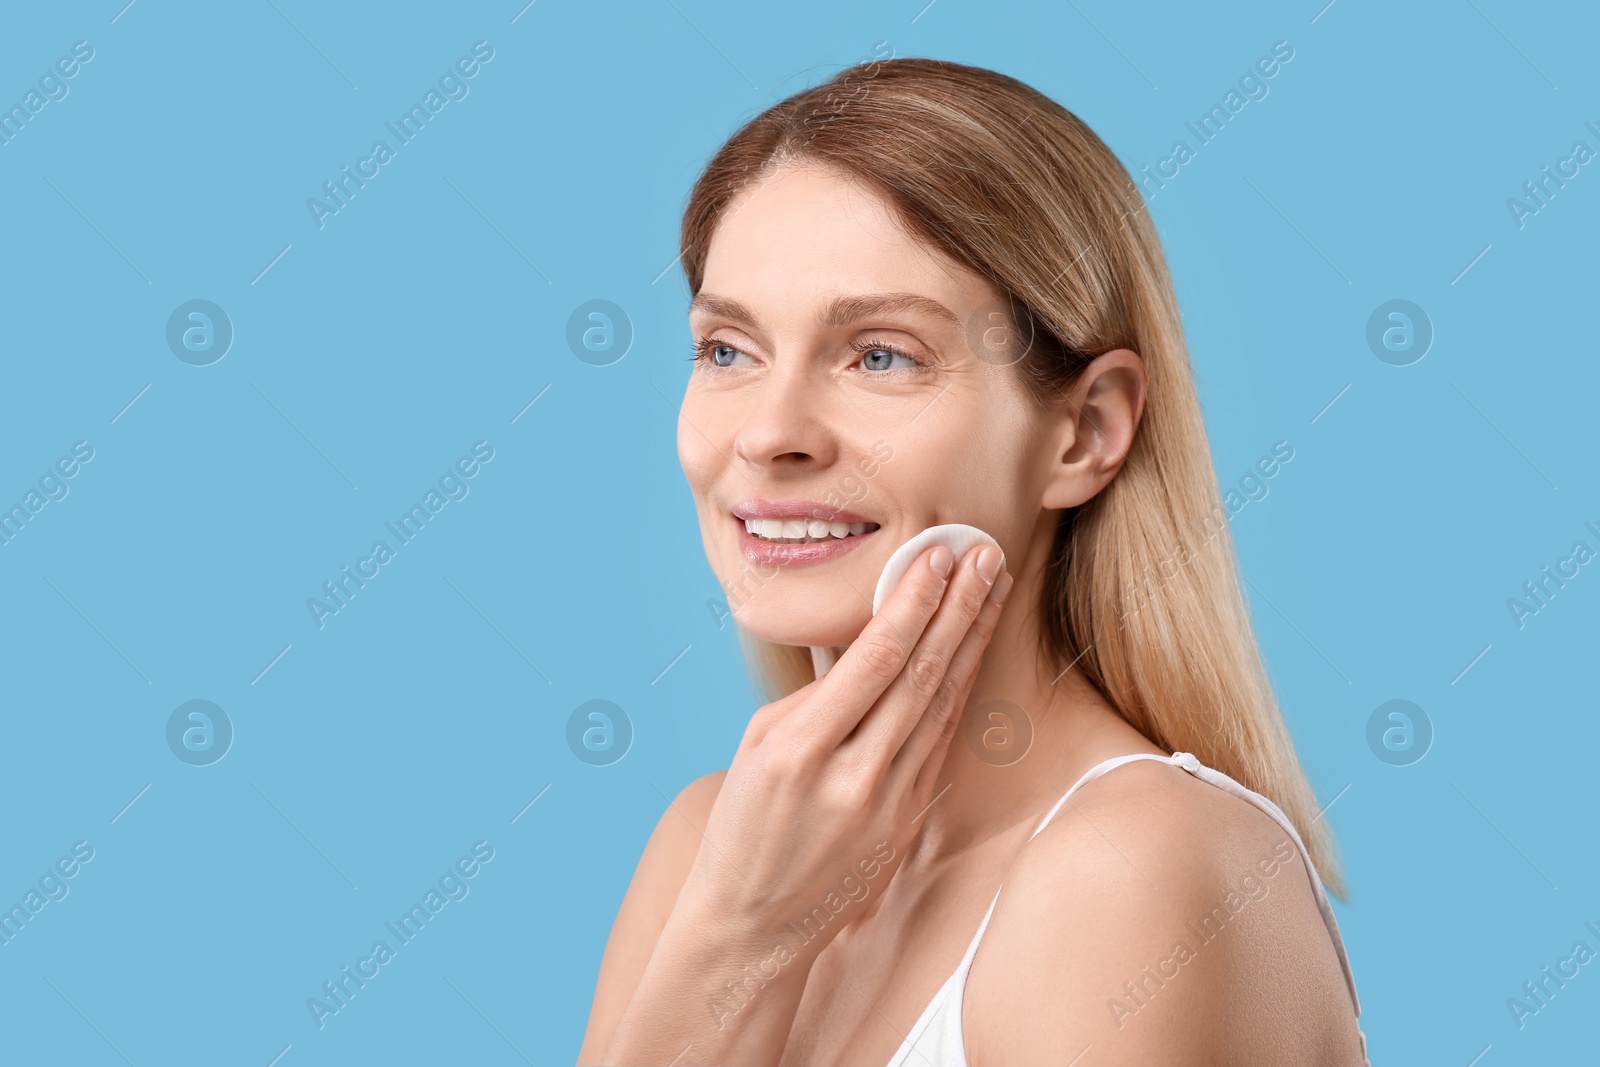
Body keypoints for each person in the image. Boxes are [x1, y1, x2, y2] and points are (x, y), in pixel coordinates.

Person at [579, 56, 1368, 1066]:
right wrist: (737, 930)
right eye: (728, 349)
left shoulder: (1134, 867)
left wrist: (740, 938)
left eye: (880, 354)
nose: (769, 434)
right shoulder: (712, 847)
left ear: (1083, 431)